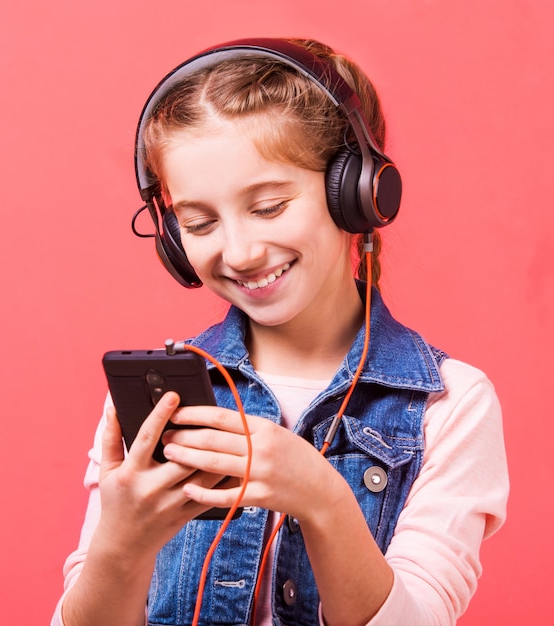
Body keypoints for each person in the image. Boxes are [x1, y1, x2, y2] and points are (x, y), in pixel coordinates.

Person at [51, 38, 509, 626]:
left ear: (356, 194)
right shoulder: (159, 397)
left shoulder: (450, 405)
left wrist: (320, 498)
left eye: (268, 207)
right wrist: (120, 540)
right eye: (199, 222)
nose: (239, 252)